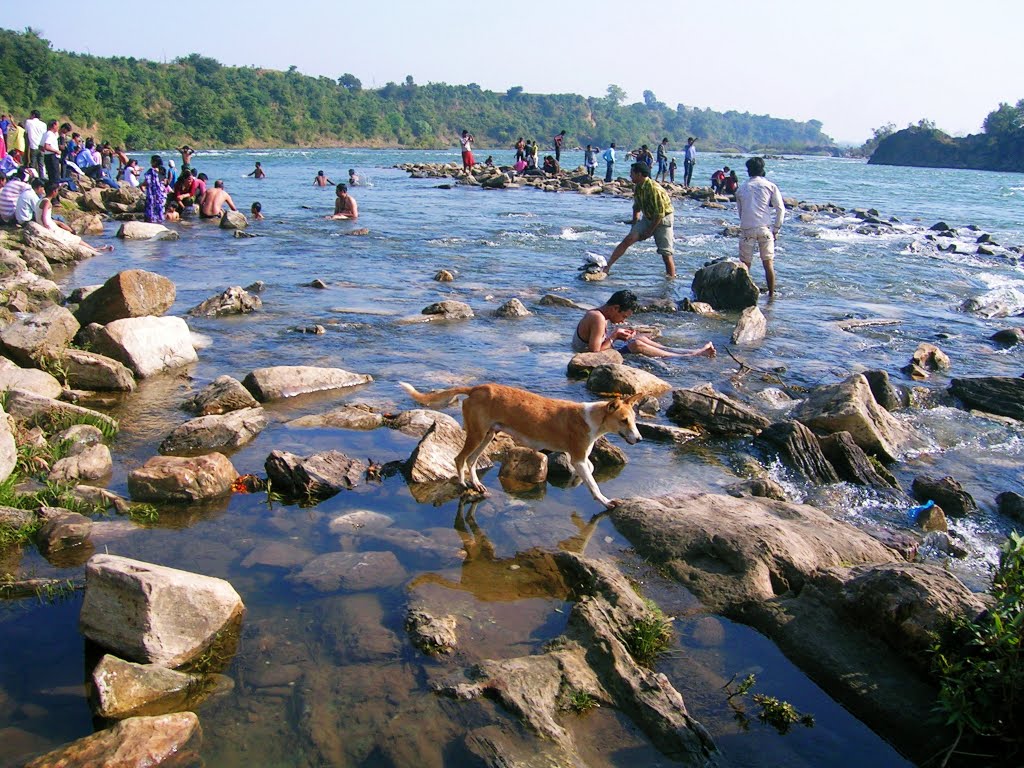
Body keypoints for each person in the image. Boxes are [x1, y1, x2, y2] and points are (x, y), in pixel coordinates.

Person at [573, 289, 715, 359]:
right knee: (637, 345)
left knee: (641, 338)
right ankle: (687, 356)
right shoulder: (597, 318)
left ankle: (686, 351)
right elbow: (593, 352)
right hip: (585, 356)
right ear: (615, 308)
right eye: (623, 316)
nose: (623, 320)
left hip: (594, 350)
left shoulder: (600, 315)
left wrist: (616, 336)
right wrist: (614, 336)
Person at [603, 162, 677, 278]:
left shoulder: (654, 189)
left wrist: (649, 231)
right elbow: (636, 208)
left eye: (632, 173)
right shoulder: (638, 187)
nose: (630, 176)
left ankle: (671, 279)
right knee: (628, 240)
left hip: (663, 219)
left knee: (666, 253)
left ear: (640, 174)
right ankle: (606, 267)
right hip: (648, 217)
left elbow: (660, 214)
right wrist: (635, 226)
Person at [735, 156, 785, 298]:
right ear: (762, 170)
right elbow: (780, 209)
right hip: (765, 228)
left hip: (747, 228)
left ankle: (743, 295)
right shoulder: (770, 186)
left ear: (748, 171)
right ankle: (771, 295)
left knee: (745, 265)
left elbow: (741, 211)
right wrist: (776, 229)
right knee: (768, 264)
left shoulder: (742, 188)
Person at [141, 155, 167, 223]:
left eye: (151, 161)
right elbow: (165, 181)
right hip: (161, 194)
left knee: (151, 209)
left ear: (154, 162)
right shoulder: (163, 170)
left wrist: (141, 185)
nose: (150, 162)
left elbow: (148, 181)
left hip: (152, 193)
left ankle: (151, 221)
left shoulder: (151, 171)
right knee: (160, 209)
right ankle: (159, 221)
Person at [23, 110, 46, 178]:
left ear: (33, 115)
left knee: (32, 165)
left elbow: (26, 133)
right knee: (41, 165)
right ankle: (42, 179)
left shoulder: (28, 122)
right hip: (42, 147)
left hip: (33, 146)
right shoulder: (44, 124)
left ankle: (33, 180)